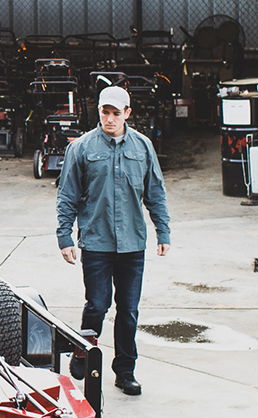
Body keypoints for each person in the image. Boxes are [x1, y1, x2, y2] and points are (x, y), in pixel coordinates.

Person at [56, 85, 171, 396]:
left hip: (133, 243)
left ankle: (125, 371)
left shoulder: (143, 147)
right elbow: (67, 195)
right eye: (104, 112)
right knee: (97, 304)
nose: (109, 118)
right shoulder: (81, 148)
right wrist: (64, 235)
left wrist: (163, 231)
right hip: (96, 241)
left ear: (127, 114)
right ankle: (83, 350)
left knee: (129, 310)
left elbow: (155, 193)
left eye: (115, 113)